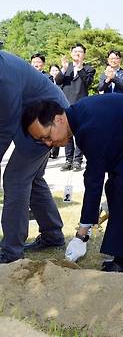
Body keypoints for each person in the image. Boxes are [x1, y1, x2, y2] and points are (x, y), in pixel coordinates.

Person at [22, 95, 123, 272]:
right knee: (118, 186)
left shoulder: (89, 126)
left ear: (59, 119)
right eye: (42, 140)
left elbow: (94, 180)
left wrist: (81, 235)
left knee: (122, 187)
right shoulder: (81, 117)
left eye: (47, 136)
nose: (48, 144)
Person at [0, 51, 68, 263]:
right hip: (32, 119)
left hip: (48, 123)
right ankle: (53, 234)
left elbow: (5, 128)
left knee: (15, 179)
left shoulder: (5, 77)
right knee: (34, 179)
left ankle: (11, 251)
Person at [56, 43, 96, 172]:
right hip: (66, 104)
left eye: (80, 51)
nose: (77, 53)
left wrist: (79, 68)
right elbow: (58, 81)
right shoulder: (66, 68)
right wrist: (63, 68)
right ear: (71, 53)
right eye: (75, 51)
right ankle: (68, 159)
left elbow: (88, 83)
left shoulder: (89, 69)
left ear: (84, 54)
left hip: (81, 105)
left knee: (79, 134)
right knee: (66, 133)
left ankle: (77, 160)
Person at [48, 64, 62, 159]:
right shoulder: (47, 81)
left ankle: (55, 152)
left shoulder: (62, 82)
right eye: (53, 70)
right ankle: (48, 152)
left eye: (56, 70)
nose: (55, 72)